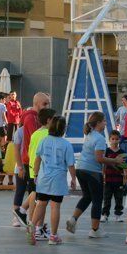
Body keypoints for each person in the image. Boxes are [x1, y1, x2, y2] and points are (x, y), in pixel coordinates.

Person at [66, 112, 125, 238]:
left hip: (81, 169)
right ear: (98, 123)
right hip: (92, 172)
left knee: (87, 197)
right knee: (97, 200)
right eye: (104, 121)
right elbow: (99, 158)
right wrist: (115, 160)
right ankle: (95, 230)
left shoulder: (89, 134)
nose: (106, 123)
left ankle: (73, 220)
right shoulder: (99, 138)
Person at [30, 116, 76, 245]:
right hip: (58, 180)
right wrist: (73, 178)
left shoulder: (44, 141)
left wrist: (35, 174)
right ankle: (53, 236)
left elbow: (37, 159)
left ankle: (32, 227)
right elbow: (71, 164)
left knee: (41, 203)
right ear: (63, 129)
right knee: (55, 207)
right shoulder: (66, 144)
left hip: (44, 178)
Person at [19, 92, 51, 223]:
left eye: (48, 103)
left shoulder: (34, 117)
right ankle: (32, 223)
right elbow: (37, 139)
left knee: (35, 194)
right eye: (45, 103)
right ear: (36, 104)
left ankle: (27, 216)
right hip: (32, 162)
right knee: (35, 195)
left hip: (33, 161)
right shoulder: (31, 118)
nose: (47, 106)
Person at [25, 106, 56, 241]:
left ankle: (37, 227)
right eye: (54, 119)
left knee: (38, 201)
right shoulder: (48, 134)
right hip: (43, 172)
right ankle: (37, 228)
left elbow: (30, 151)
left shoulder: (35, 133)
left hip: (33, 171)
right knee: (42, 202)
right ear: (49, 120)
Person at [101, 130, 126, 222]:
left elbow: (125, 166)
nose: (115, 141)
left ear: (119, 140)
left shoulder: (122, 152)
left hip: (118, 179)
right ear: (109, 140)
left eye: (117, 139)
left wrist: (125, 177)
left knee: (119, 198)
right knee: (107, 198)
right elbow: (104, 164)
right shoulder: (106, 151)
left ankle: (118, 214)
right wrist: (103, 175)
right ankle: (105, 214)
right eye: (113, 139)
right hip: (108, 179)